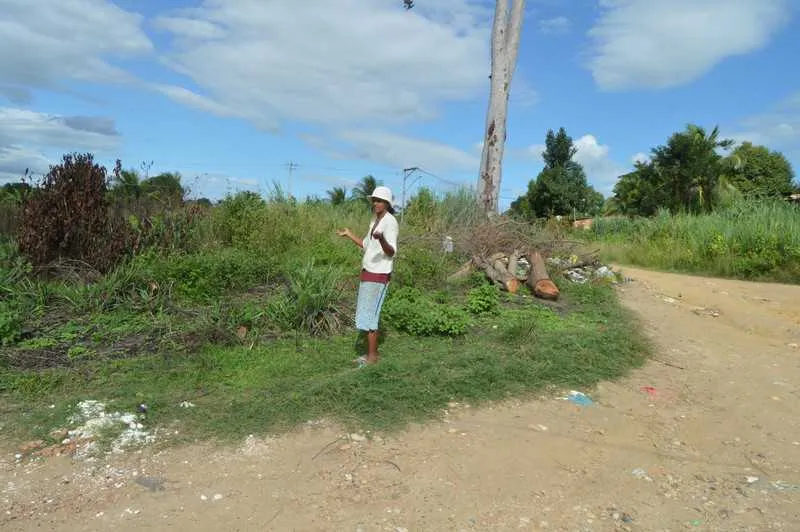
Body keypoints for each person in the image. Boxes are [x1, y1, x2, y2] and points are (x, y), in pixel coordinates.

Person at [337, 186, 399, 366]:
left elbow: (391, 252)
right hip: (368, 272)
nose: (375, 203)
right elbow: (366, 245)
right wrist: (349, 235)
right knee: (365, 314)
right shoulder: (374, 220)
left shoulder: (390, 222)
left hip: (379, 274)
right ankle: (369, 354)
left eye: (379, 200)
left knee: (371, 316)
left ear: (387, 203)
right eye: (374, 200)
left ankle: (372, 358)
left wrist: (381, 239)